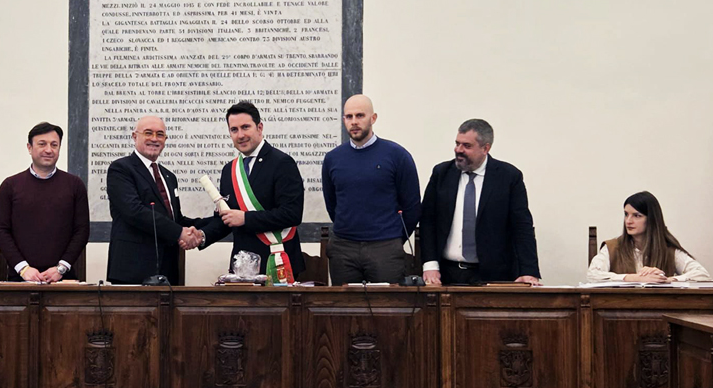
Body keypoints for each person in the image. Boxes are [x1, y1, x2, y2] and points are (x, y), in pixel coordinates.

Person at [420, 119, 540, 285]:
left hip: (494, 274)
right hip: (447, 273)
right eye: (457, 143)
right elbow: (427, 221)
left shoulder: (508, 177)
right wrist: (430, 264)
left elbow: (522, 226)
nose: (458, 150)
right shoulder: (442, 174)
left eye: (467, 146)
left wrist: (529, 271)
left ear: (485, 148)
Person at [199, 101, 305, 279]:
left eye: (245, 127)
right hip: (242, 266)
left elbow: (292, 214)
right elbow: (227, 218)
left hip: (276, 262)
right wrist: (201, 236)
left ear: (259, 127)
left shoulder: (282, 163)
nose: (240, 135)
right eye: (234, 130)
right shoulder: (229, 170)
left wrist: (245, 218)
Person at [322, 94, 421, 284]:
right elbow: (332, 204)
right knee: (345, 302)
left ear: (373, 118)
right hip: (344, 248)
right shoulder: (333, 158)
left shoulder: (397, 155)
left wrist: (395, 238)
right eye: (349, 116)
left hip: (385, 247)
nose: (354, 122)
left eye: (360, 115)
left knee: (387, 302)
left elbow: (412, 205)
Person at [106, 115, 204, 285]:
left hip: (168, 269)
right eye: (148, 133)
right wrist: (179, 232)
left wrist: (212, 223)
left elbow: (175, 219)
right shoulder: (121, 169)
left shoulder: (169, 176)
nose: (154, 139)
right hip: (133, 270)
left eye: (160, 134)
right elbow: (134, 211)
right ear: (134, 136)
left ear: (165, 140)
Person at [0, 122, 89, 282]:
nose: (48, 150)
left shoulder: (74, 185)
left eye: (54, 145)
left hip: (62, 278)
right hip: (20, 278)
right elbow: (0, 231)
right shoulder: (10, 185)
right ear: (29, 148)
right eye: (42, 144)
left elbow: (82, 230)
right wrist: (23, 268)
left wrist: (61, 268)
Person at [587, 191, 710, 282]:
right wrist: (633, 278)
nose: (628, 221)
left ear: (651, 219)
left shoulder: (667, 249)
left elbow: (702, 275)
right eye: (626, 214)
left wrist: (666, 279)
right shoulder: (613, 247)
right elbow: (592, 275)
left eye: (637, 216)